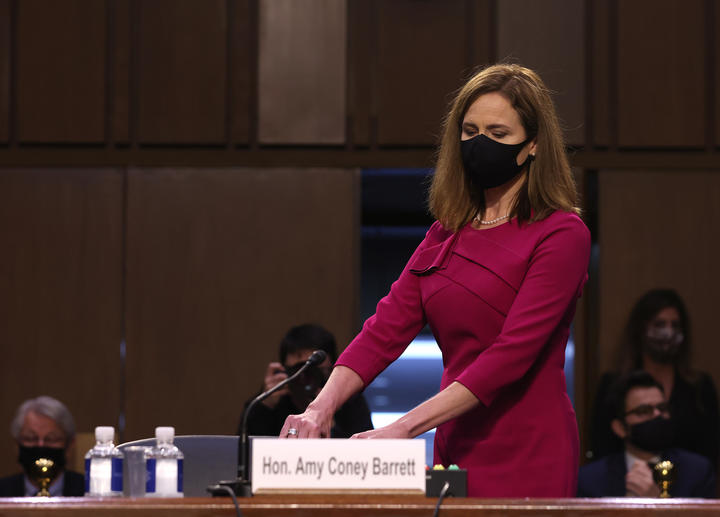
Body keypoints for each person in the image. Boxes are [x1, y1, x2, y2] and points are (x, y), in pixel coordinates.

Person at [280, 63, 591, 498]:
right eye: (470, 131)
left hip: (529, 452)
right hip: (455, 444)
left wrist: (403, 427)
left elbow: (510, 355)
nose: (480, 143)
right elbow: (385, 328)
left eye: (498, 134)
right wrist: (321, 406)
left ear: (533, 145)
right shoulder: (446, 233)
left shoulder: (561, 234)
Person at [590, 288, 719, 467]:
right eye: (659, 324)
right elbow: (602, 448)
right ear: (641, 329)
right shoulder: (613, 385)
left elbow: (711, 450)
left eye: (675, 325)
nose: (668, 332)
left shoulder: (699, 386)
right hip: (626, 488)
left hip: (690, 487)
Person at [578, 371, 715, 497]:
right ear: (620, 428)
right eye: (643, 411)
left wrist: (657, 504)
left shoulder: (697, 471)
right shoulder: (591, 479)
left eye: (662, 408)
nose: (657, 415)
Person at [238, 324, 373, 438]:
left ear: (331, 369)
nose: (307, 378)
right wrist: (265, 406)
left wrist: (328, 414)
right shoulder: (272, 401)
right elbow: (245, 453)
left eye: (315, 370)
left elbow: (362, 452)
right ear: (285, 368)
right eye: (300, 369)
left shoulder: (349, 402)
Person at [0, 396, 84, 497]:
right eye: (31, 438)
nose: (41, 446)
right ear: (17, 444)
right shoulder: (3, 493)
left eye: (51, 439)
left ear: (70, 445)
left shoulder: (88, 493)